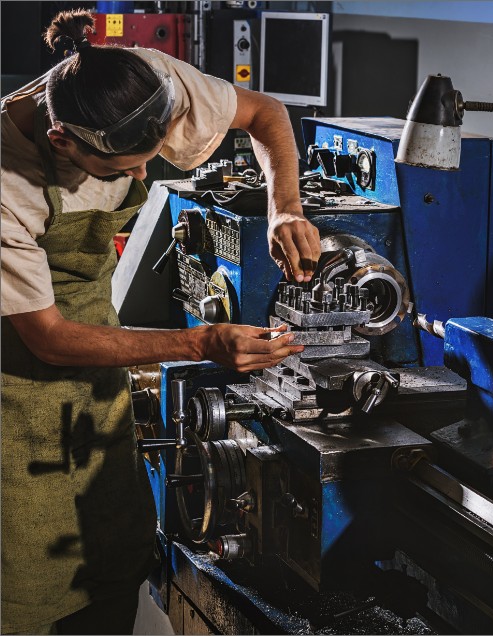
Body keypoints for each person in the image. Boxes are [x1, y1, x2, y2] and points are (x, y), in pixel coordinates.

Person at [1, 8, 321, 635]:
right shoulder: (6, 181)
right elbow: (49, 337)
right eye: (124, 170)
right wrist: (201, 342)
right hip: (16, 346)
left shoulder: (152, 83)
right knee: (26, 543)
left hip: (88, 311)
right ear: (64, 141)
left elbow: (266, 114)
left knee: (112, 522)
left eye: (149, 159)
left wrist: (285, 208)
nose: (144, 176)